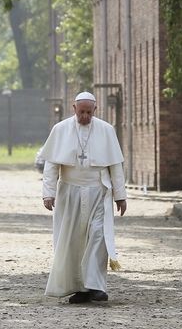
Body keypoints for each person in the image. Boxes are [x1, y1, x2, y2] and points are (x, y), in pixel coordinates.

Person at [41, 91, 127, 304]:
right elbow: (51, 165)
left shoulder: (106, 130)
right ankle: (79, 288)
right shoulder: (60, 130)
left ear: (95, 110)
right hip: (69, 193)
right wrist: (48, 193)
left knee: (98, 237)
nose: (85, 116)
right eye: (81, 112)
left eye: (89, 112)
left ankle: (95, 287)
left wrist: (120, 196)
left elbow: (115, 166)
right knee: (73, 242)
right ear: (74, 109)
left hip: (99, 191)